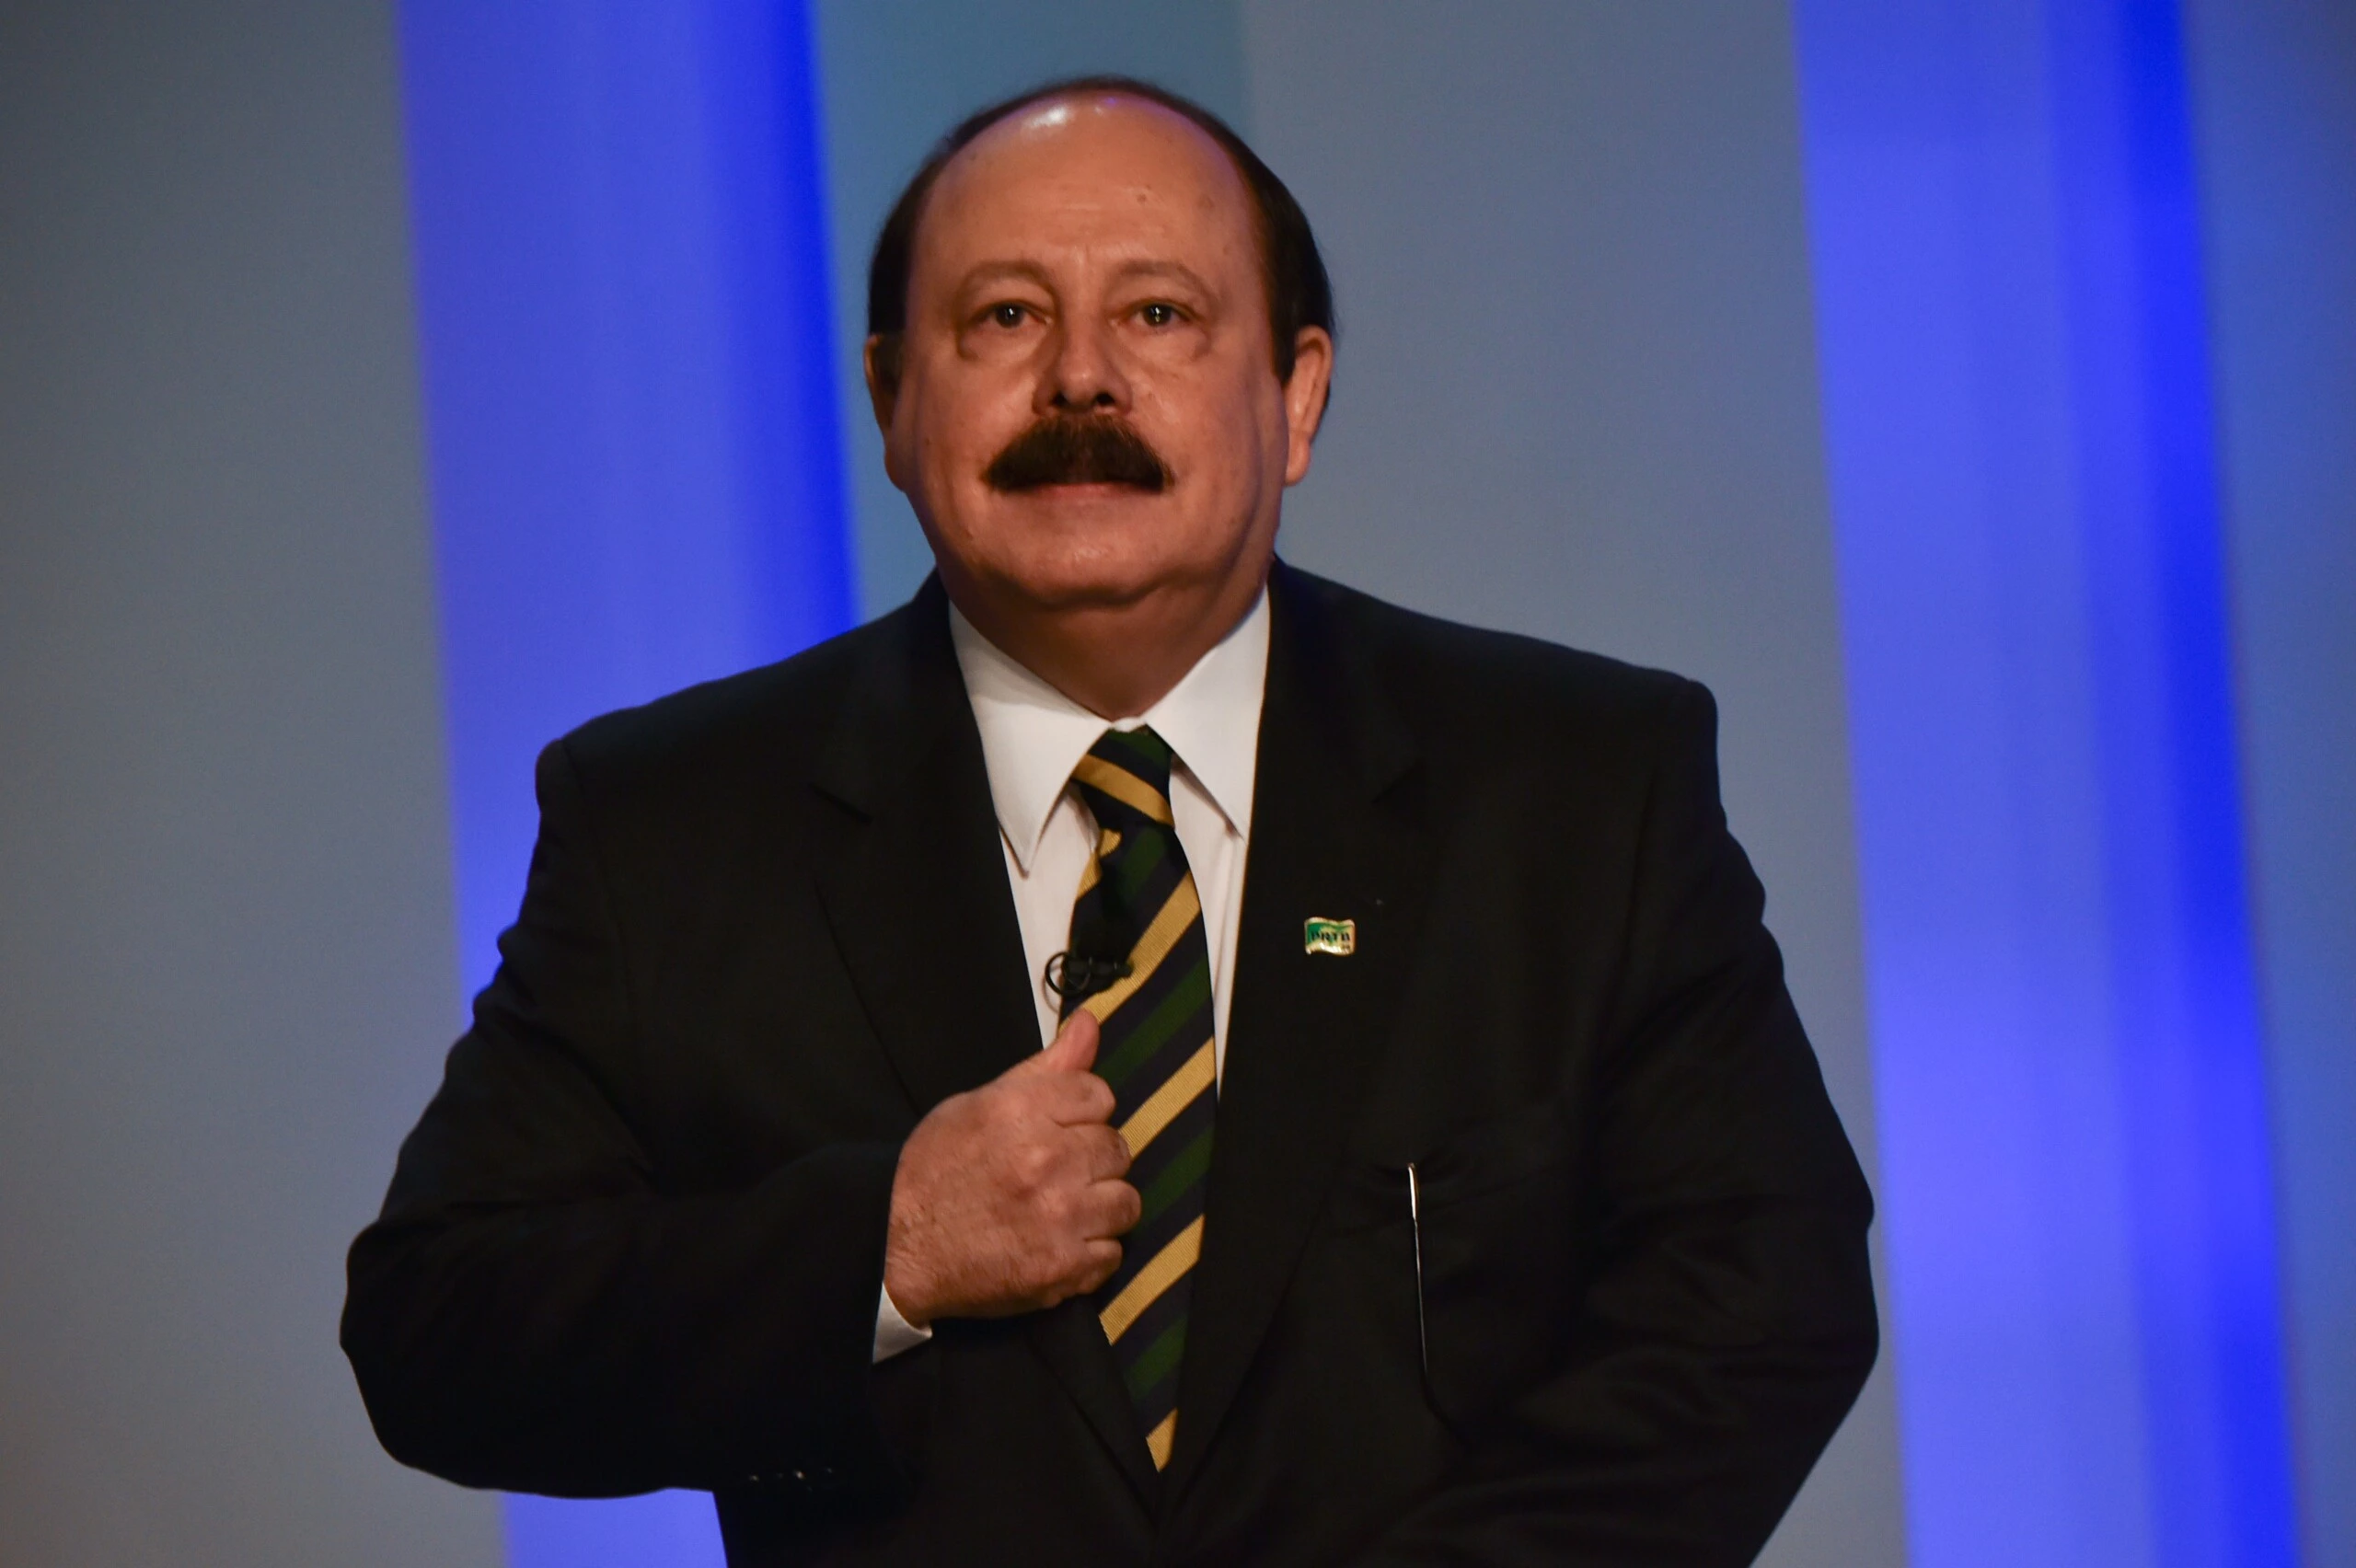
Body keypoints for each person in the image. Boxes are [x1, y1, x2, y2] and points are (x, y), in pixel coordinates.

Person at [342, 75, 1877, 1566]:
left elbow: (1763, 1300)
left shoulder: (1574, 785)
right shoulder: (670, 826)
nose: (1080, 379)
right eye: (1006, 316)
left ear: (1296, 395)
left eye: (1158, 313)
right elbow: (438, 1332)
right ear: (890, 396)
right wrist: (883, 1248)